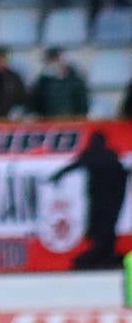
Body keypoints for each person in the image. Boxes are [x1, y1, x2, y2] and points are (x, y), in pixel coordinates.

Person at [51, 131, 130, 270]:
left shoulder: (99, 154)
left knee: (103, 227)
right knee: (104, 227)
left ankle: (104, 254)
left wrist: (57, 176)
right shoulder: (107, 154)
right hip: (109, 200)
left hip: (105, 200)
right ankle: (102, 254)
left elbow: (74, 166)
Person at [27, 47, 90, 120]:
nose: (51, 64)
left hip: (71, 122)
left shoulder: (75, 81)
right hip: (50, 124)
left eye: (53, 60)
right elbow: (34, 105)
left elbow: (82, 106)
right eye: (49, 61)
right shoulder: (43, 82)